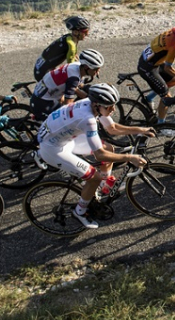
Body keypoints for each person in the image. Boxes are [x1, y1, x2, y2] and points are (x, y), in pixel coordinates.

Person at [36, 83, 154, 230]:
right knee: (94, 177)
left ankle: (104, 185)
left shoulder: (90, 102)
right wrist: (130, 158)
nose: (113, 110)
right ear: (97, 105)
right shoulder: (88, 119)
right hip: (53, 149)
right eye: (109, 107)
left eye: (114, 105)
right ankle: (79, 211)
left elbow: (112, 128)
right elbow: (100, 155)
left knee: (108, 148)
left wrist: (140, 130)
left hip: (65, 138)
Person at [137, 14, 175, 128]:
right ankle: (161, 126)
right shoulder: (174, 45)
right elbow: (168, 68)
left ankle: (148, 98)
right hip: (148, 68)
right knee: (167, 97)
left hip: (154, 63)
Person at [30, 49, 104, 122]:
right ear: (86, 67)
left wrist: (87, 96)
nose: (98, 71)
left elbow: (76, 87)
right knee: (66, 120)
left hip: (48, 93)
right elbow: (67, 105)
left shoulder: (77, 65)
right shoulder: (73, 79)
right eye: (96, 69)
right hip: (42, 103)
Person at [33, 15, 90, 81]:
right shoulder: (71, 46)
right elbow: (71, 67)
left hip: (40, 68)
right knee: (72, 83)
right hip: (43, 73)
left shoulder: (68, 37)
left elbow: (75, 57)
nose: (87, 34)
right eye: (85, 32)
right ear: (76, 32)